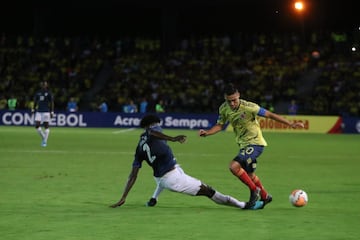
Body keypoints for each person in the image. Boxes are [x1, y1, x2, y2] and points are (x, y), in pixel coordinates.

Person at [110, 114, 265, 210]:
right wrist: (173, 138)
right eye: (157, 124)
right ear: (150, 126)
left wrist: (124, 196)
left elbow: (133, 175)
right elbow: (153, 132)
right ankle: (244, 205)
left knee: (167, 174)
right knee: (208, 191)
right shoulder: (154, 131)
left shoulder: (139, 147)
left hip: (164, 176)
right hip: (172, 179)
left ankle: (153, 199)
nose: (159, 126)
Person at [198, 83, 304, 208]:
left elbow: (270, 115)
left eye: (234, 100)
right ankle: (265, 196)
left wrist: (290, 124)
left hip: (255, 144)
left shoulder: (249, 107)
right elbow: (220, 125)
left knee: (234, 166)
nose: (232, 104)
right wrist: (208, 132)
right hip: (244, 146)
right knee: (250, 175)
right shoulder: (223, 108)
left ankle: (254, 191)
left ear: (238, 95)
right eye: (229, 101)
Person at [32, 81, 54, 147]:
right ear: (41, 85)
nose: (44, 85)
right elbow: (35, 101)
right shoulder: (38, 93)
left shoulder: (49, 93)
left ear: (46, 85)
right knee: (37, 125)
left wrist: (52, 111)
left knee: (46, 126)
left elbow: (52, 102)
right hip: (39, 111)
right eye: (43, 84)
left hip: (46, 112)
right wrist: (33, 108)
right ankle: (44, 138)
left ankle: (44, 142)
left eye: (45, 84)